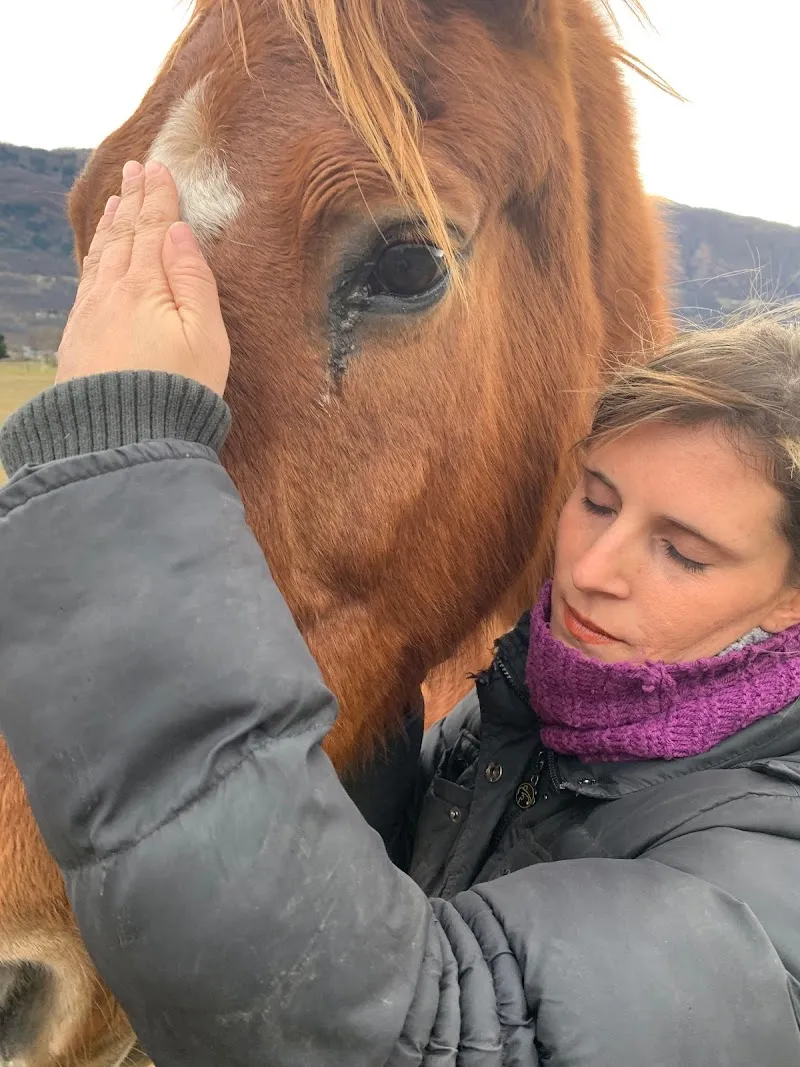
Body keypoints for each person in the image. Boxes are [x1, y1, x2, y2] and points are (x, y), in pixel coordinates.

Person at [2, 160, 800, 1067]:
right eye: (600, 500)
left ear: (790, 598)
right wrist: (352, 659)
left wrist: (127, 490)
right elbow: (396, 866)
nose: (593, 569)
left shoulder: (764, 881)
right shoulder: (539, 714)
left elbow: (407, 1031)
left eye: (684, 552)